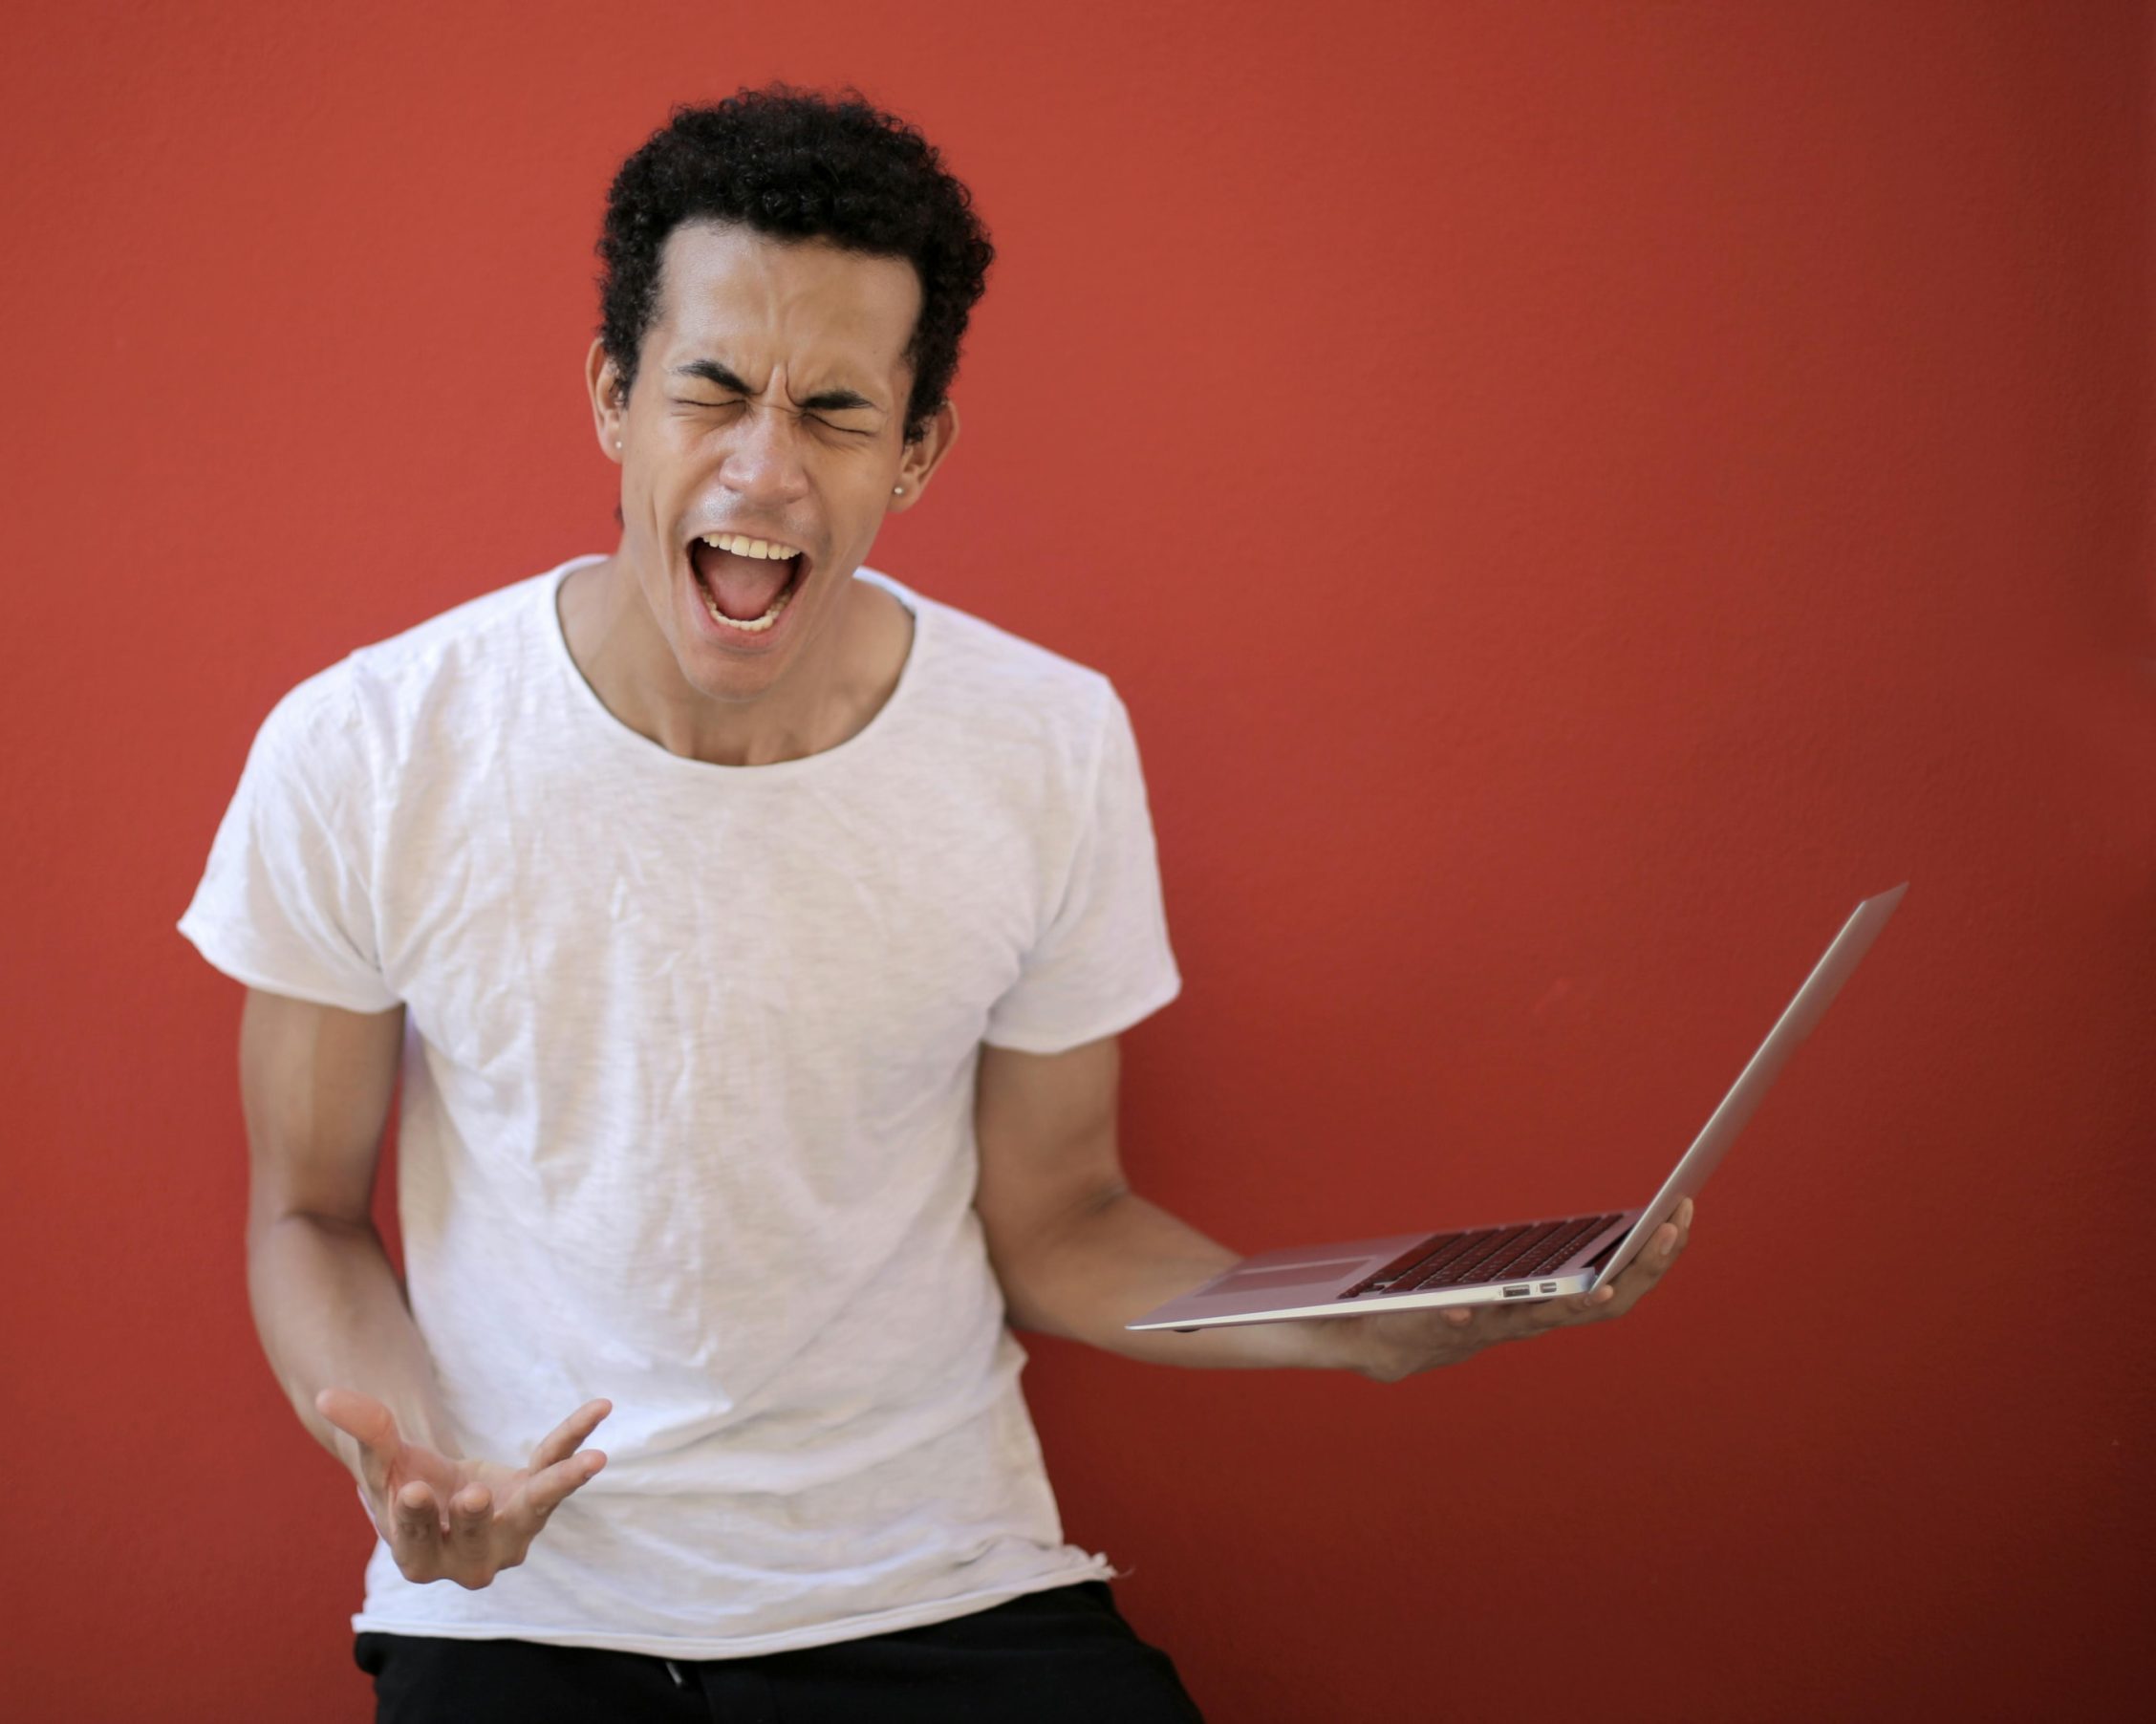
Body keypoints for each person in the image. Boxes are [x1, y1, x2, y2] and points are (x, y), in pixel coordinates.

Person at [176, 81, 1692, 1724]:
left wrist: (1356, 1333)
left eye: (834, 410)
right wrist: (423, 1463)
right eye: (711, 390)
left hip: (937, 1585)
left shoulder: (1046, 742)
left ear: (917, 450)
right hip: (529, 1600)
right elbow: (310, 1214)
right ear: (614, 396)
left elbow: (1059, 1221)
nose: (763, 468)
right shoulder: (371, 746)